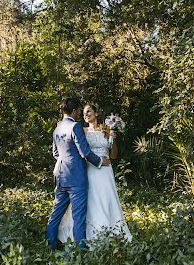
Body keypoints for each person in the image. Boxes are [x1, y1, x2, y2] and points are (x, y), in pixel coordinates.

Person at [58, 103, 132, 244]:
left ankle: (111, 232)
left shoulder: (106, 131)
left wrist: (114, 139)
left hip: (105, 171)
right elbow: (82, 151)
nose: (85, 115)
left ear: (96, 113)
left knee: (107, 199)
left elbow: (114, 155)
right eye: (84, 113)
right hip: (90, 169)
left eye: (89, 112)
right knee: (91, 200)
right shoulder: (82, 131)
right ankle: (89, 234)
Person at [46, 97, 111, 250]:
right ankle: (81, 251)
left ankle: (51, 247)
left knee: (56, 215)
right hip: (76, 178)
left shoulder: (57, 128)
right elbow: (85, 152)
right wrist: (101, 161)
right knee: (79, 217)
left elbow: (56, 153)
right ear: (74, 111)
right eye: (78, 111)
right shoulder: (75, 127)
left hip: (61, 176)